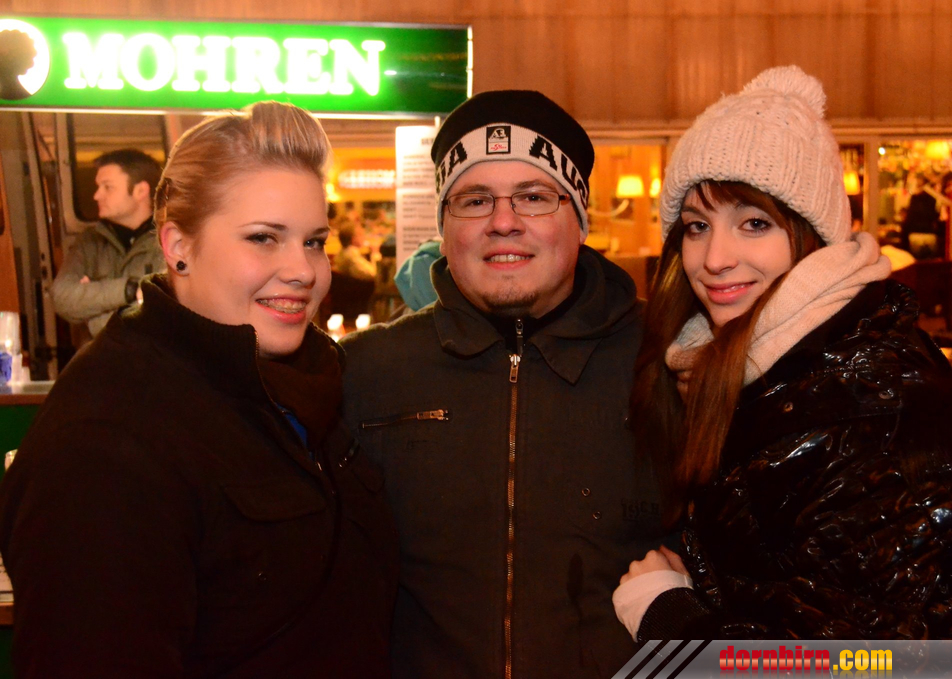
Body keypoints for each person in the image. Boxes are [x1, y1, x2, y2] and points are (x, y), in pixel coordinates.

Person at [615, 66, 952, 641]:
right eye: (697, 226)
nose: (715, 258)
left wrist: (668, 617)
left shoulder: (868, 404)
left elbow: (853, 662)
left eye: (754, 223)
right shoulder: (743, 369)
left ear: (813, 236)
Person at [0, 101, 398, 677]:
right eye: (263, 238)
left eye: (314, 241)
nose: (303, 270)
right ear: (178, 246)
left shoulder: (309, 382)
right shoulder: (105, 440)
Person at [339, 90, 664, 678]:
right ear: (444, 226)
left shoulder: (668, 362)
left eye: (534, 197)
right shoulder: (364, 372)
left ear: (580, 219)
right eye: (474, 200)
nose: (504, 222)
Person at [50, 148, 166, 339]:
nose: (97, 195)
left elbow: (165, 315)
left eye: (108, 187)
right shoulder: (90, 242)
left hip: (151, 357)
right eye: (99, 187)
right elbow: (62, 297)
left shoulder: (168, 242)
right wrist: (130, 289)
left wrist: (93, 314)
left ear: (140, 191)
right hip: (96, 357)